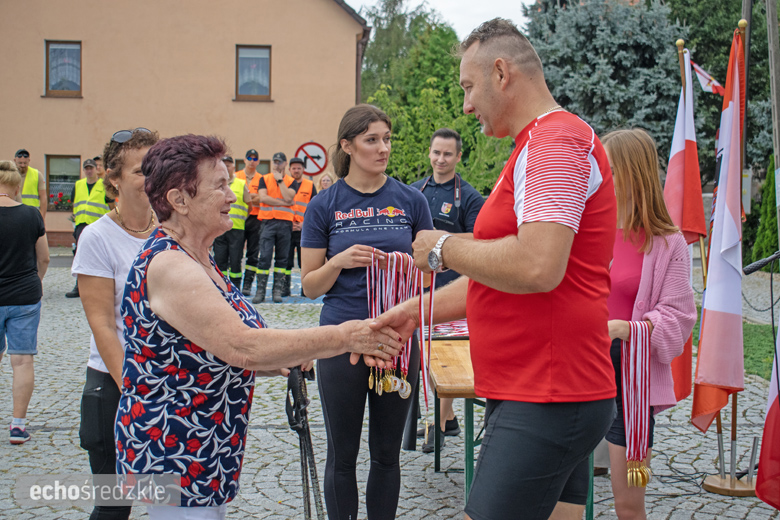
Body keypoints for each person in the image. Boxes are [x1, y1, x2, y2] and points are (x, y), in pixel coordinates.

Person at [371, 19, 618, 520]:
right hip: (545, 388)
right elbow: (498, 278)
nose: (466, 105)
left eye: (468, 87)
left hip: (548, 391)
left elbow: (537, 266)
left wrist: (442, 247)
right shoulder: (533, 145)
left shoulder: (554, 142)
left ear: (501, 73)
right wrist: (414, 312)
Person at [115, 134, 404, 520]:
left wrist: (282, 360)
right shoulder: (170, 266)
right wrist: (347, 335)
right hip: (173, 451)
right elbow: (243, 346)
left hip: (202, 448)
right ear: (179, 200)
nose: (232, 196)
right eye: (220, 186)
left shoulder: (197, 257)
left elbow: (211, 346)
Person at [301, 104, 433, 520]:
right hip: (341, 338)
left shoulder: (412, 201)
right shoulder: (325, 205)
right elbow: (309, 286)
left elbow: (429, 278)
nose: (383, 148)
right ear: (347, 145)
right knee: (342, 454)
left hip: (396, 339)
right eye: (372, 140)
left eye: (387, 139)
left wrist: (405, 267)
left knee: (387, 455)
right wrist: (339, 263)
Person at [601, 128, 696, 520]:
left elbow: (679, 318)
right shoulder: (586, 230)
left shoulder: (669, 243)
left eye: (609, 168)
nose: (600, 175)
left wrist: (626, 328)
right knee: (561, 495)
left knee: (628, 504)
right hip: (580, 367)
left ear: (632, 173)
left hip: (631, 378)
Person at [71, 128, 160, 520]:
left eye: (156, 168)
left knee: (171, 500)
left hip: (167, 382)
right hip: (116, 384)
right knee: (113, 505)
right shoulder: (98, 237)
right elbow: (103, 325)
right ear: (114, 179)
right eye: (141, 171)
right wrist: (136, 392)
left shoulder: (172, 230)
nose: (152, 178)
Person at [410, 127, 484, 452]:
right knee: (424, 359)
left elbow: (481, 239)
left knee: (445, 358)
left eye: (448, 154)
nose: (441, 159)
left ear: (458, 157)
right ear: (429, 153)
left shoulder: (469, 197)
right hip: (417, 288)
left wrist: (440, 242)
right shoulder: (413, 192)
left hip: (453, 291)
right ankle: (449, 418)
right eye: (436, 152)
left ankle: (438, 424)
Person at [0, 160, 50, 445]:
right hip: (24, 296)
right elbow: (44, 258)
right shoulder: (31, 215)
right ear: (16, 187)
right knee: (21, 361)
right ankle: (18, 426)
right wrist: (36, 281)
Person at [252, 151, 298, 303]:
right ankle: (260, 292)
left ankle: (277, 291)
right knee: (264, 257)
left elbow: (289, 196)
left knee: (282, 258)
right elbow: (263, 198)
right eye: (275, 162)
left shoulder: (291, 181)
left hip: (285, 223)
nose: (277, 164)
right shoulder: (264, 179)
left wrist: (280, 181)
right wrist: (284, 203)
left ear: (285, 164)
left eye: (280, 162)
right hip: (268, 222)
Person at [66, 158, 111, 298]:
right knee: (80, 255)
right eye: (87, 168)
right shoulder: (78, 185)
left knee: (101, 255)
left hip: (100, 226)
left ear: (96, 169)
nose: (89, 171)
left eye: (91, 168)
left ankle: (101, 284)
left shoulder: (104, 185)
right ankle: (79, 286)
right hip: (81, 225)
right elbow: (74, 204)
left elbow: (111, 206)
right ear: (84, 170)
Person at [213, 155, 251, 287]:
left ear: (233, 167)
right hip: (218, 228)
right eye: (223, 164)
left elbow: (249, 205)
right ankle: (221, 287)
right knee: (219, 259)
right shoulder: (214, 184)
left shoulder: (241, 183)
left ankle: (235, 287)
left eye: (228, 165)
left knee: (235, 261)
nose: (226, 167)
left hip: (237, 229)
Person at [283, 157, 316, 297]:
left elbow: (315, 208)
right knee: (286, 260)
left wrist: (305, 224)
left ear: (303, 170)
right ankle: (284, 288)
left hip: (304, 229)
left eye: (299, 168)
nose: (296, 171)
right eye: (294, 168)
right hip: (287, 228)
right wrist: (287, 222)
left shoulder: (310, 185)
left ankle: (305, 289)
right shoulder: (284, 184)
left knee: (305, 262)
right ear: (289, 170)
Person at [236, 149, 263, 296]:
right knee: (236, 252)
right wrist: (253, 196)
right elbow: (234, 196)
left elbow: (261, 198)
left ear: (258, 161)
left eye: (255, 159)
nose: (252, 161)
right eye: (249, 158)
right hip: (239, 218)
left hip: (256, 219)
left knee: (253, 253)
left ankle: (247, 284)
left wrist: (246, 196)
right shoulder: (237, 176)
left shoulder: (261, 179)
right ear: (245, 160)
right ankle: (235, 283)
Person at [13, 149, 47, 220]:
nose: (22, 165)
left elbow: (43, 198)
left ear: (29, 161)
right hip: (13, 213)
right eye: (20, 163)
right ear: (15, 160)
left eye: (25, 163)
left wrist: (42, 218)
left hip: (32, 215)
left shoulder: (37, 175)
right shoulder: (9, 175)